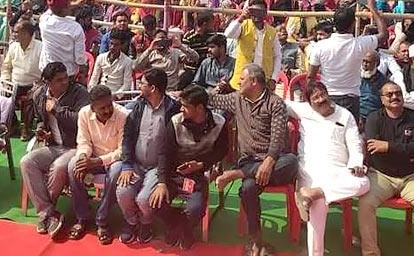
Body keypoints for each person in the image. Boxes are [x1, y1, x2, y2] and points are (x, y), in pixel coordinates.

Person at [211, 64, 297, 252]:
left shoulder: (275, 104)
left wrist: (269, 161)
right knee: (249, 187)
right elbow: (212, 100)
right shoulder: (236, 99)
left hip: (275, 161)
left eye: (242, 79)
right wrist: (216, 88)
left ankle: (235, 174)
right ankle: (256, 238)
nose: (238, 82)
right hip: (250, 162)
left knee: (291, 162)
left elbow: (277, 139)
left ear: (254, 82)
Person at [358, 81, 414, 256]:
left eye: (398, 93)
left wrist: (389, 146)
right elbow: (374, 149)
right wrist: (404, 150)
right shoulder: (374, 119)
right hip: (381, 175)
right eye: (389, 94)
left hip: (411, 177)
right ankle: (370, 253)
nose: (394, 97)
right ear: (382, 99)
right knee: (365, 205)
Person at [286, 81, 370, 256]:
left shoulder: (345, 115)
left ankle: (313, 193)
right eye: (315, 97)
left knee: (364, 183)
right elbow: (277, 102)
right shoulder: (303, 110)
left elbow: (355, 144)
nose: (321, 99)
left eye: (323, 94)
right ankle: (316, 253)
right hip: (311, 169)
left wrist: (356, 163)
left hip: (339, 170)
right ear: (309, 102)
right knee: (318, 205)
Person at [20, 62, 90, 238]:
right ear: (47, 82)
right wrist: (42, 129)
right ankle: (48, 213)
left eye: (66, 78)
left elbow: (81, 122)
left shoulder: (79, 93)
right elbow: (39, 118)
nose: (65, 82)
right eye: (59, 80)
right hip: (54, 145)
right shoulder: (39, 95)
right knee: (27, 161)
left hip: (77, 146)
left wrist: (57, 110)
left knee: (59, 167)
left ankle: (47, 214)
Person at [156, 84, 229, 249]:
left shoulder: (219, 122)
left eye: (185, 106)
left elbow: (222, 151)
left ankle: (183, 229)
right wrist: (161, 182)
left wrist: (202, 165)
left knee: (195, 208)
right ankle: (178, 225)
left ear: (200, 108)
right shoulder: (175, 122)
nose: (181, 109)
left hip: (199, 175)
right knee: (154, 202)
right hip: (174, 173)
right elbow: (164, 153)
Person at [116, 68, 180, 245]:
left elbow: (172, 147)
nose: (139, 86)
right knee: (123, 192)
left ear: (152, 88)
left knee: (144, 199)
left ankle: (145, 224)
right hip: (136, 164)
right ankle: (131, 222)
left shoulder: (173, 110)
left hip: (157, 168)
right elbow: (127, 137)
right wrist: (127, 165)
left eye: (142, 83)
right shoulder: (137, 107)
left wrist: (163, 177)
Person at [308, 0, 387, 121]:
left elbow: (310, 77)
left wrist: (312, 100)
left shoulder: (320, 46)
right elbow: (383, 34)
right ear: (353, 24)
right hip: (351, 99)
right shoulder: (360, 44)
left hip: (327, 97)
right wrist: (373, 9)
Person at [67, 84, 129, 244]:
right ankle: (82, 217)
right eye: (103, 108)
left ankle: (102, 220)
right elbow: (83, 142)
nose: (108, 110)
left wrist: (98, 161)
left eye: (110, 105)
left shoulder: (123, 115)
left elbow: (123, 150)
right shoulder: (84, 114)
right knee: (73, 165)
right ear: (92, 107)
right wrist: (83, 159)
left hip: (114, 160)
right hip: (93, 157)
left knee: (116, 172)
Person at [225, 0, 282, 90]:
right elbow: (228, 34)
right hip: (243, 79)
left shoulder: (272, 31)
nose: (257, 14)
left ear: (265, 13)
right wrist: (241, 18)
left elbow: (277, 56)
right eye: (254, 11)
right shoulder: (243, 25)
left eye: (260, 11)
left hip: (263, 81)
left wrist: (274, 79)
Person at [1, 20, 42, 139]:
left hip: (34, 84)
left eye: (16, 32)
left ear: (26, 34)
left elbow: (45, 70)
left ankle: (26, 127)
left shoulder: (40, 47)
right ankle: (13, 124)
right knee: (2, 95)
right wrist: (5, 82)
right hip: (14, 84)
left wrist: (39, 85)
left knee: (31, 98)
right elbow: (6, 67)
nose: (13, 34)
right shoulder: (13, 46)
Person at [38, 0, 88, 83]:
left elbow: (51, 10)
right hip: (67, 75)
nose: (70, 6)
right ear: (64, 9)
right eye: (68, 4)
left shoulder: (44, 22)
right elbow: (79, 58)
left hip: (47, 72)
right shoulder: (75, 28)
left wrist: (74, 4)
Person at [134, 29, 199, 90]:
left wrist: (181, 46)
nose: (161, 41)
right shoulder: (149, 54)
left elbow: (195, 58)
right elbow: (136, 67)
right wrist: (149, 49)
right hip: (154, 90)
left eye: (163, 39)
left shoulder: (176, 52)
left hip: (171, 90)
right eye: (158, 39)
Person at [88, 29, 134, 95]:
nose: (112, 47)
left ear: (121, 46)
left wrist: (116, 96)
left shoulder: (127, 62)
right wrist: (91, 92)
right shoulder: (101, 57)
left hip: (115, 94)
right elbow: (94, 78)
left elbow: (127, 85)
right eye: (111, 44)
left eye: (116, 45)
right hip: (100, 93)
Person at [359, 50, 388, 125]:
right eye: (364, 61)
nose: (365, 64)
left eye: (368, 62)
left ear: (377, 64)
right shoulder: (354, 77)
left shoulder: (383, 82)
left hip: (374, 118)